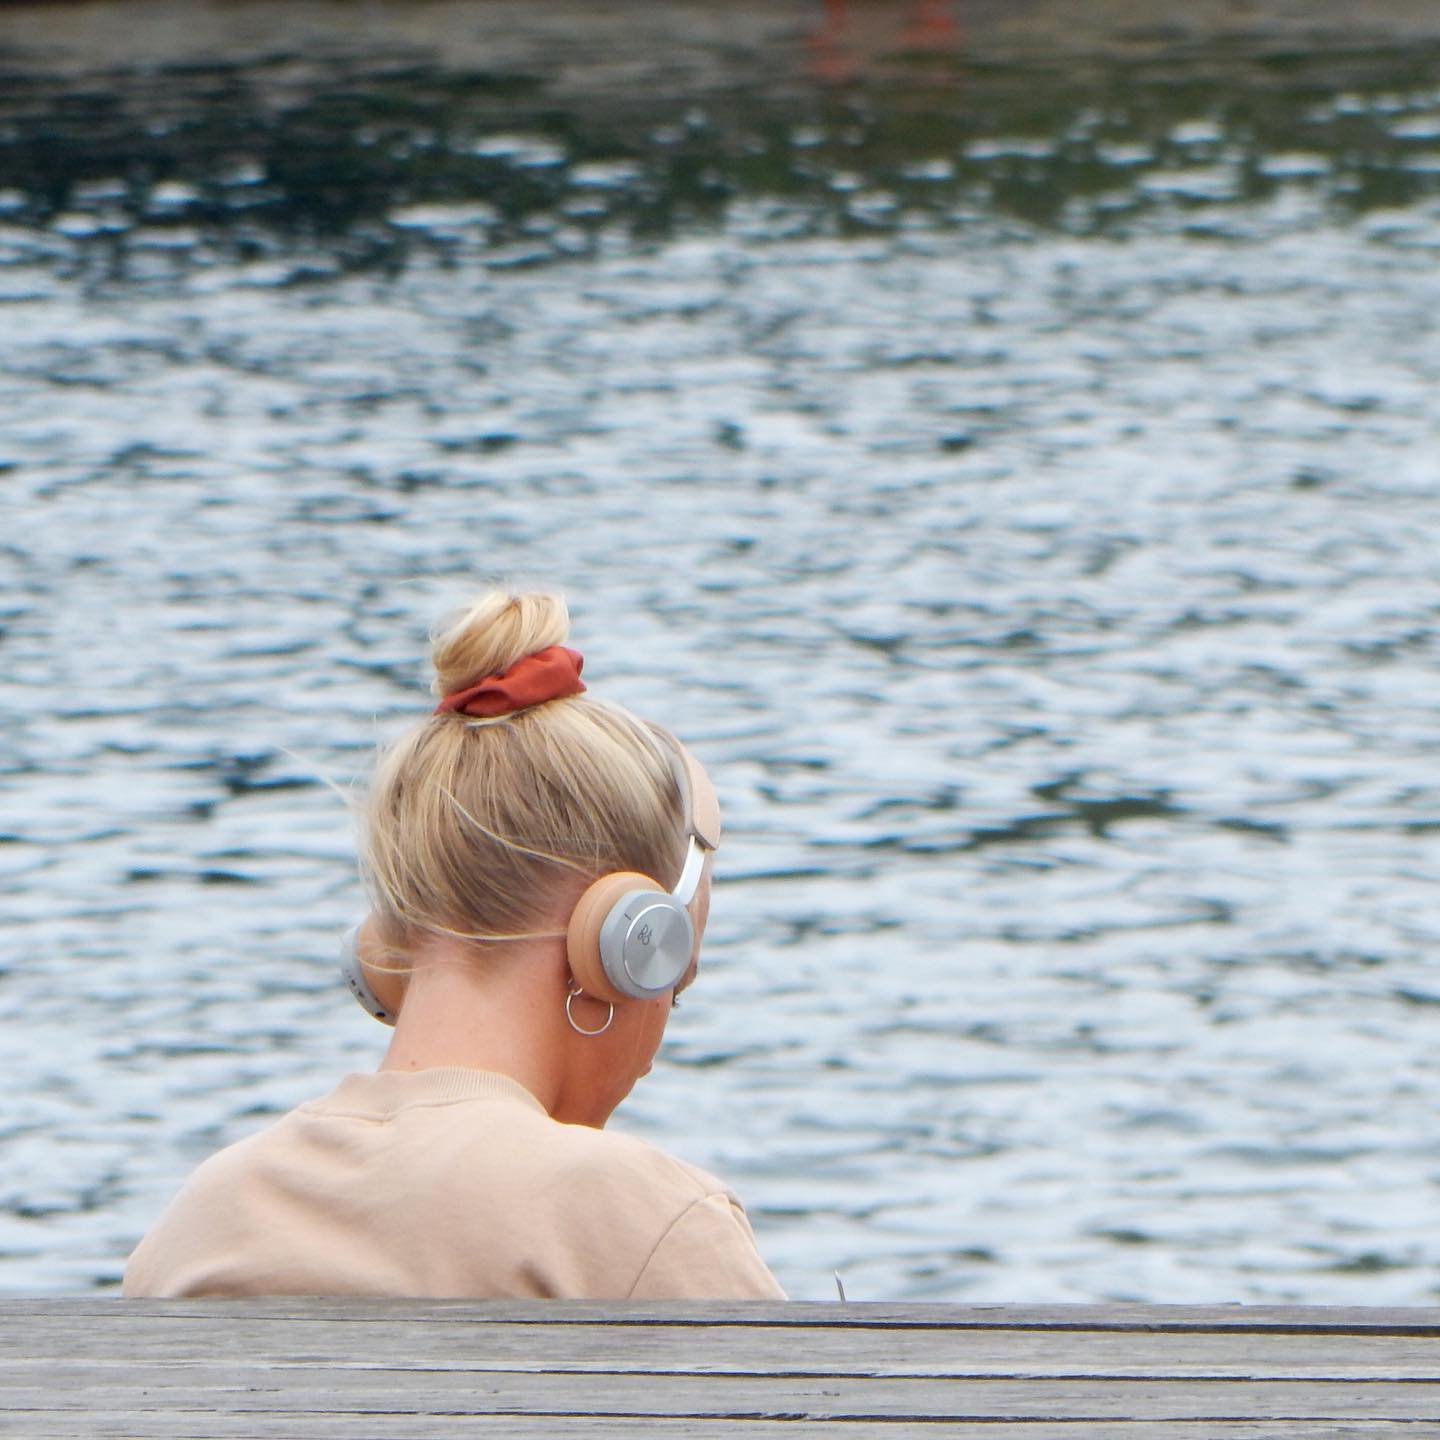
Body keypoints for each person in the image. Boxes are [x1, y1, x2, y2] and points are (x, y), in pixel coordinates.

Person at [124, 590, 785, 1300]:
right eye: (671, 986)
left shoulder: (204, 1218)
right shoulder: (647, 1228)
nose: (650, 1057)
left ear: (386, 953)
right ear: (623, 945)